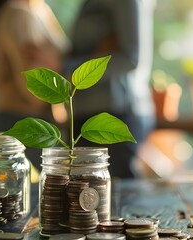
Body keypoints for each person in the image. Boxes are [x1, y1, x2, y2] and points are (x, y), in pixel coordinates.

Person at [65, 0, 156, 178]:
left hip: (116, 111)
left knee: (120, 197)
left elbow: (131, 58)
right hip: (83, 113)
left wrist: (67, 69)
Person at [0, 0, 68, 168]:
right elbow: (32, 84)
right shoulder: (19, 13)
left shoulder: (39, 10)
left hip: (26, 123)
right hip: (22, 124)